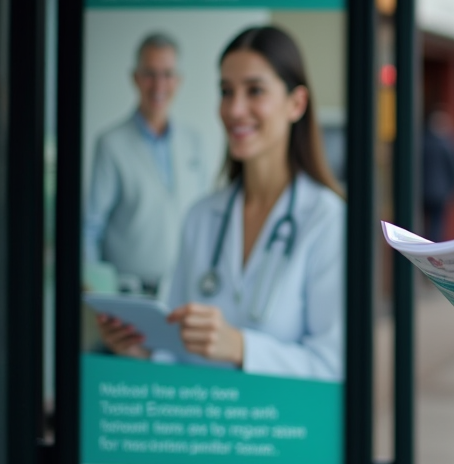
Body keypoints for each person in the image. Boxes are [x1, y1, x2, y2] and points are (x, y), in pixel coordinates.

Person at [98, 26, 345, 380]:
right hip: (210, 427)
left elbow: (332, 366)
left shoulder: (327, 220)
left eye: (254, 90)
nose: (234, 109)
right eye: (226, 91)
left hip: (285, 429)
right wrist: (144, 352)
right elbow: (178, 350)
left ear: (296, 104)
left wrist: (242, 348)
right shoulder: (201, 217)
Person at [83, 33, 208, 296]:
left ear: (178, 80)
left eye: (167, 74)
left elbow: (204, 219)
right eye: (150, 74)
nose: (159, 85)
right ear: (135, 78)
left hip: (182, 291)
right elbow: (91, 226)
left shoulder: (193, 142)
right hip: (128, 293)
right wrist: (96, 290)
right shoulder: (111, 144)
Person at [421, 108, 454, 242]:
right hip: (440, 191)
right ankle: (433, 246)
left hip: (423, 190)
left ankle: (422, 245)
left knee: (422, 220)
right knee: (436, 222)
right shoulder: (449, 144)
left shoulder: (422, 141)